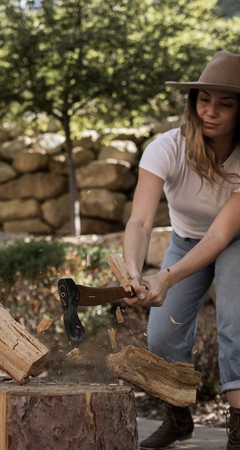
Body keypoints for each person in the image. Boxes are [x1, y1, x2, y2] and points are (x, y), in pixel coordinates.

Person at [123, 50, 240, 450]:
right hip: (185, 240)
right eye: (204, 99)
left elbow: (220, 238)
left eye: (225, 103)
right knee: (162, 337)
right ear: (192, 102)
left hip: (234, 242)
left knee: (234, 327)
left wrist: (168, 277)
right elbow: (139, 222)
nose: (211, 111)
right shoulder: (165, 148)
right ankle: (179, 420)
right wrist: (134, 271)